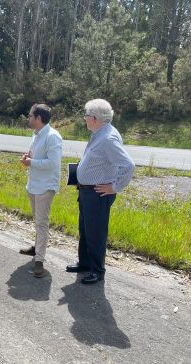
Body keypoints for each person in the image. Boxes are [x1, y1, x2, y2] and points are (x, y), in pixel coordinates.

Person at [66, 99, 135, 284]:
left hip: (98, 194)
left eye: (86, 116)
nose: (84, 119)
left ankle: (97, 271)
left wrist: (114, 187)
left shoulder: (108, 138)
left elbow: (128, 165)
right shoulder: (100, 132)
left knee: (96, 234)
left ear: (95, 118)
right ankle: (85, 264)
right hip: (88, 191)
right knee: (86, 230)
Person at [19, 104, 62, 278]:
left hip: (45, 187)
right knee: (37, 220)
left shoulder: (53, 137)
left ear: (38, 118)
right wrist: (28, 158)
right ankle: (37, 248)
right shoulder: (36, 135)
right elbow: (35, 157)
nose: (28, 118)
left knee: (42, 223)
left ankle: (39, 260)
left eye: (30, 116)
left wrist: (32, 162)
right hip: (34, 184)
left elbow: (53, 163)